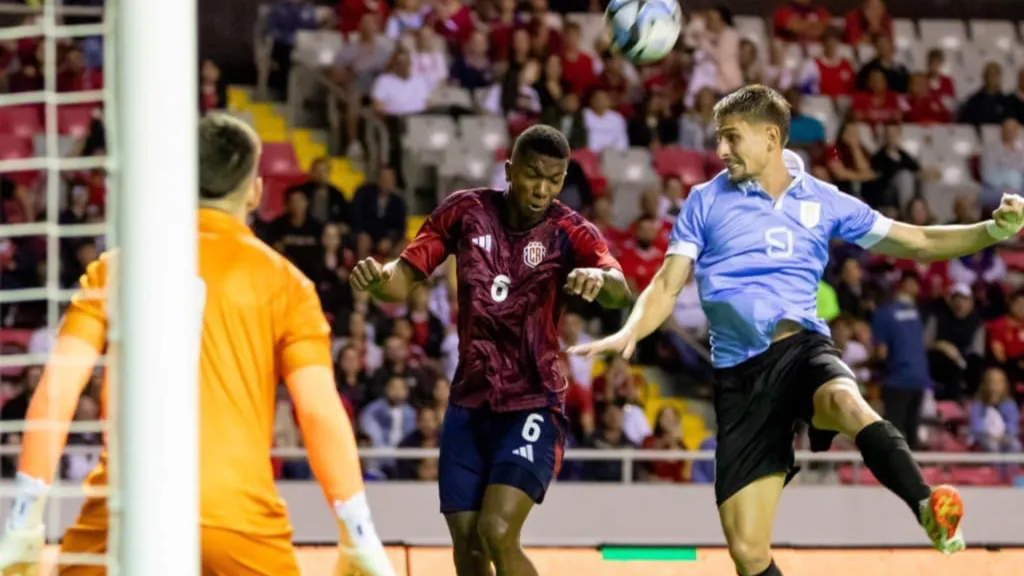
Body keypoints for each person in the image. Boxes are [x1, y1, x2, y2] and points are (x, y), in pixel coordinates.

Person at [568, 85, 1024, 576]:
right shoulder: (704, 201)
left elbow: (917, 240)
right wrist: (632, 329)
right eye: (719, 138)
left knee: (845, 402)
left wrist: (993, 231)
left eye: (731, 137)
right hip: (739, 378)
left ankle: (925, 503)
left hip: (802, 350)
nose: (721, 149)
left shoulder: (823, 200)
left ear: (770, 138)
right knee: (748, 553)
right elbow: (666, 283)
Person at [0, 114, 396, 576]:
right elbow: (318, 412)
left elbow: (58, 390)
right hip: (238, 521)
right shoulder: (287, 284)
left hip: (126, 515)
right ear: (255, 191)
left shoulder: (115, 269)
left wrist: (24, 520)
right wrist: (358, 534)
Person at [349, 124, 630, 576]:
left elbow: (620, 290)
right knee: (468, 548)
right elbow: (402, 279)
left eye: (554, 180)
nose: (542, 189)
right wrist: (380, 281)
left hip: (533, 402)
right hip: (468, 403)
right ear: (509, 169)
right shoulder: (465, 211)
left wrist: (600, 280)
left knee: (496, 531)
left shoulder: (568, 230)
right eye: (532, 175)